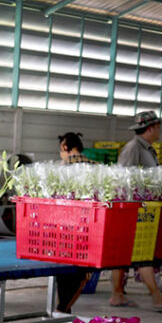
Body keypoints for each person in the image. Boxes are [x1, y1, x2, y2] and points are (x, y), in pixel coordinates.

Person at [110, 110, 162, 311]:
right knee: (142, 252)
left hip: (144, 207)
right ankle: (157, 297)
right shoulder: (133, 148)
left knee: (125, 255)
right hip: (134, 210)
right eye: (157, 127)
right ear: (150, 128)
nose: (159, 130)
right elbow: (123, 179)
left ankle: (117, 295)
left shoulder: (147, 148)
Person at [53, 132, 94, 313]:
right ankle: (65, 306)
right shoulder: (95, 166)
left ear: (64, 147)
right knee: (81, 271)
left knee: (63, 269)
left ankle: (63, 306)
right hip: (89, 228)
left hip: (65, 228)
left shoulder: (61, 168)